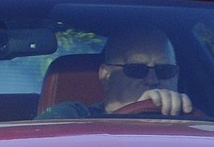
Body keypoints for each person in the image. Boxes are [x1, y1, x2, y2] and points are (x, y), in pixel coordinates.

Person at [39, 27, 193, 118]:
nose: (152, 80)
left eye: (165, 70)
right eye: (136, 69)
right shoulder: (73, 117)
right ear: (106, 75)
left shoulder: (199, 125)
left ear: (177, 75)